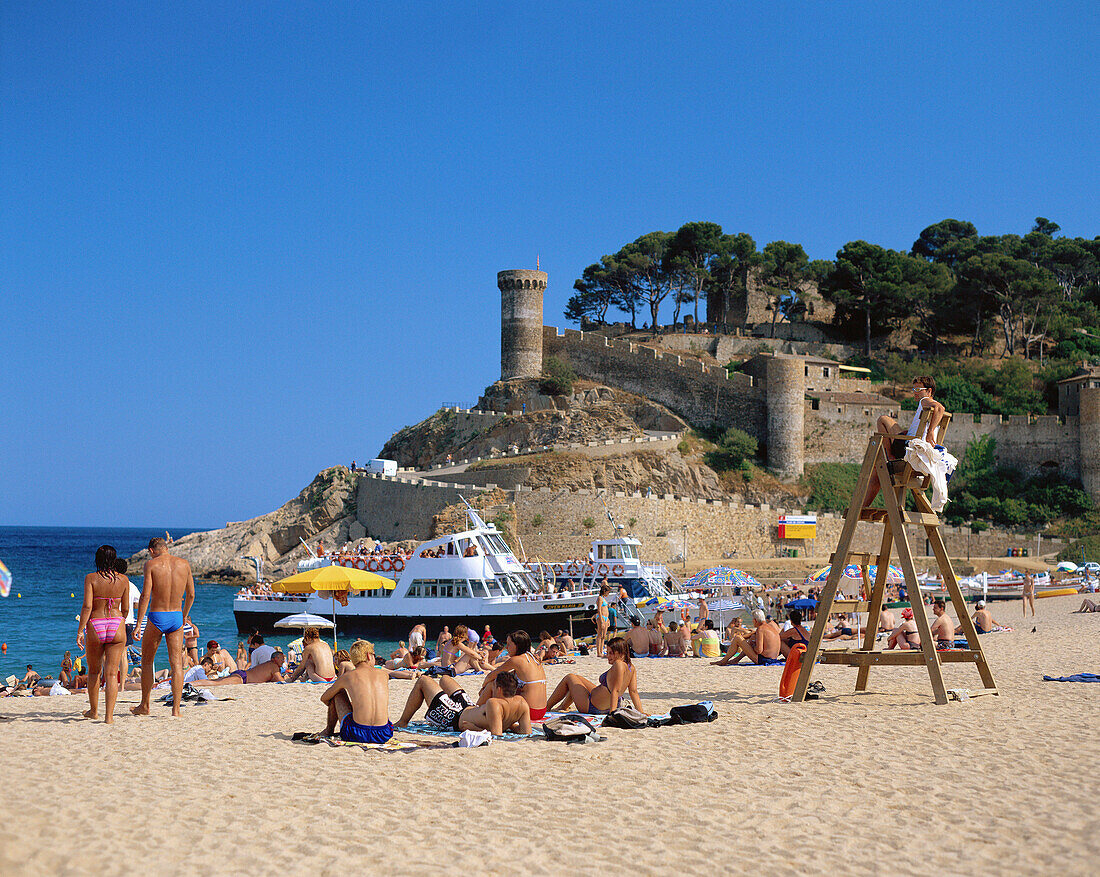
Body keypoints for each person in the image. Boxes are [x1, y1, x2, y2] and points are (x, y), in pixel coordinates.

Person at [131, 537, 195, 717]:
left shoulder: (151, 564)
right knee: (176, 665)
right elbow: (191, 595)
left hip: (157, 615)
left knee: (147, 662)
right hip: (176, 616)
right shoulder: (184, 564)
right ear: (166, 547)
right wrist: (183, 615)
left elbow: (145, 595)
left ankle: (144, 705)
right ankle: (176, 709)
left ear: (151, 550)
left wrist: (138, 624)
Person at [863, 376, 946, 511]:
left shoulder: (925, 401)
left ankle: (889, 456)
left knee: (882, 420)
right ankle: (864, 505)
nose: (915, 392)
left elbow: (940, 408)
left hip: (905, 448)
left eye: (919, 389)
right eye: (914, 389)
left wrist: (930, 431)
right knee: (892, 425)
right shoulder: (927, 405)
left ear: (929, 391)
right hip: (911, 443)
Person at [76, 545, 129, 723]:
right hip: (116, 623)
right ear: (114, 560)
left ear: (97, 560)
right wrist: (120, 620)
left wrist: (80, 631)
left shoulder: (91, 578)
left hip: (96, 624)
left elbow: (87, 607)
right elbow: (126, 608)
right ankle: (109, 717)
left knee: (94, 672)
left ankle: (94, 711)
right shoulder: (123, 580)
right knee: (112, 674)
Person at [396, 671, 532, 736]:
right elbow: (526, 732)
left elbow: (496, 735)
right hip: (468, 706)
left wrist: (473, 728)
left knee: (423, 680)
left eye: (494, 686)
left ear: (499, 689)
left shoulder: (494, 703)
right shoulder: (522, 703)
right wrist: (510, 725)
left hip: (453, 717)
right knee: (445, 679)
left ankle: (403, 721)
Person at [546, 636, 646, 716]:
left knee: (569, 677)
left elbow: (615, 690)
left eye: (611, 653)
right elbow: (633, 692)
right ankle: (563, 706)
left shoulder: (618, 664)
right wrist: (641, 712)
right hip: (602, 702)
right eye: (607, 652)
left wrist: (613, 713)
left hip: (592, 706)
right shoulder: (631, 667)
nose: (608, 656)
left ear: (620, 653)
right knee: (577, 679)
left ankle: (547, 707)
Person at [318, 639, 394, 743]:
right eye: (374, 655)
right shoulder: (384, 675)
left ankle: (328, 731)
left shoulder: (348, 676)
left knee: (337, 693)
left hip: (357, 734)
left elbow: (324, 697)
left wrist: (336, 706)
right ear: (368, 655)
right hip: (384, 733)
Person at [476, 630, 547, 721]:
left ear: (518, 645)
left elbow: (490, 676)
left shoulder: (516, 660)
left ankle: (475, 710)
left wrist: (483, 688)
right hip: (541, 711)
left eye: (509, 644)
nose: (506, 648)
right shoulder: (533, 658)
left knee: (491, 685)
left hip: (529, 712)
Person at [712, 610, 781, 666]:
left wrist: (752, 645)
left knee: (737, 638)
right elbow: (752, 634)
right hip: (774, 658)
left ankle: (724, 661)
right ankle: (736, 660)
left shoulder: (760, 629)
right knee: (750, 639)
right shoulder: (770, 627)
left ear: (755, 620)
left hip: (764, 660)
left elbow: (759, 650)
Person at [202, 651, 287, 685]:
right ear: (275, 659)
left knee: (215, 681)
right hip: (243, 678)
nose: (283, 660)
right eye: (282, 658)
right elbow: (281, 681)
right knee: (215, 683)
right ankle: (192, 684)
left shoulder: (269, 665)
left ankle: (192, 683)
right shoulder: (274, 666)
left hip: (242, 674)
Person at [594, 585, 610, 657]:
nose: (608, 594)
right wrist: (601, 620)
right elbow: (599, 609)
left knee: (604, 635)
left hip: (606, 617)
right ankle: (598, 652)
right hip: (601, 617)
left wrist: (608, 619)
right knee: (600, 634)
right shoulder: (600, 598)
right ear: (604, 591)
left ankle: (601, 650)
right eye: (608, 592)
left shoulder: (603, 598)